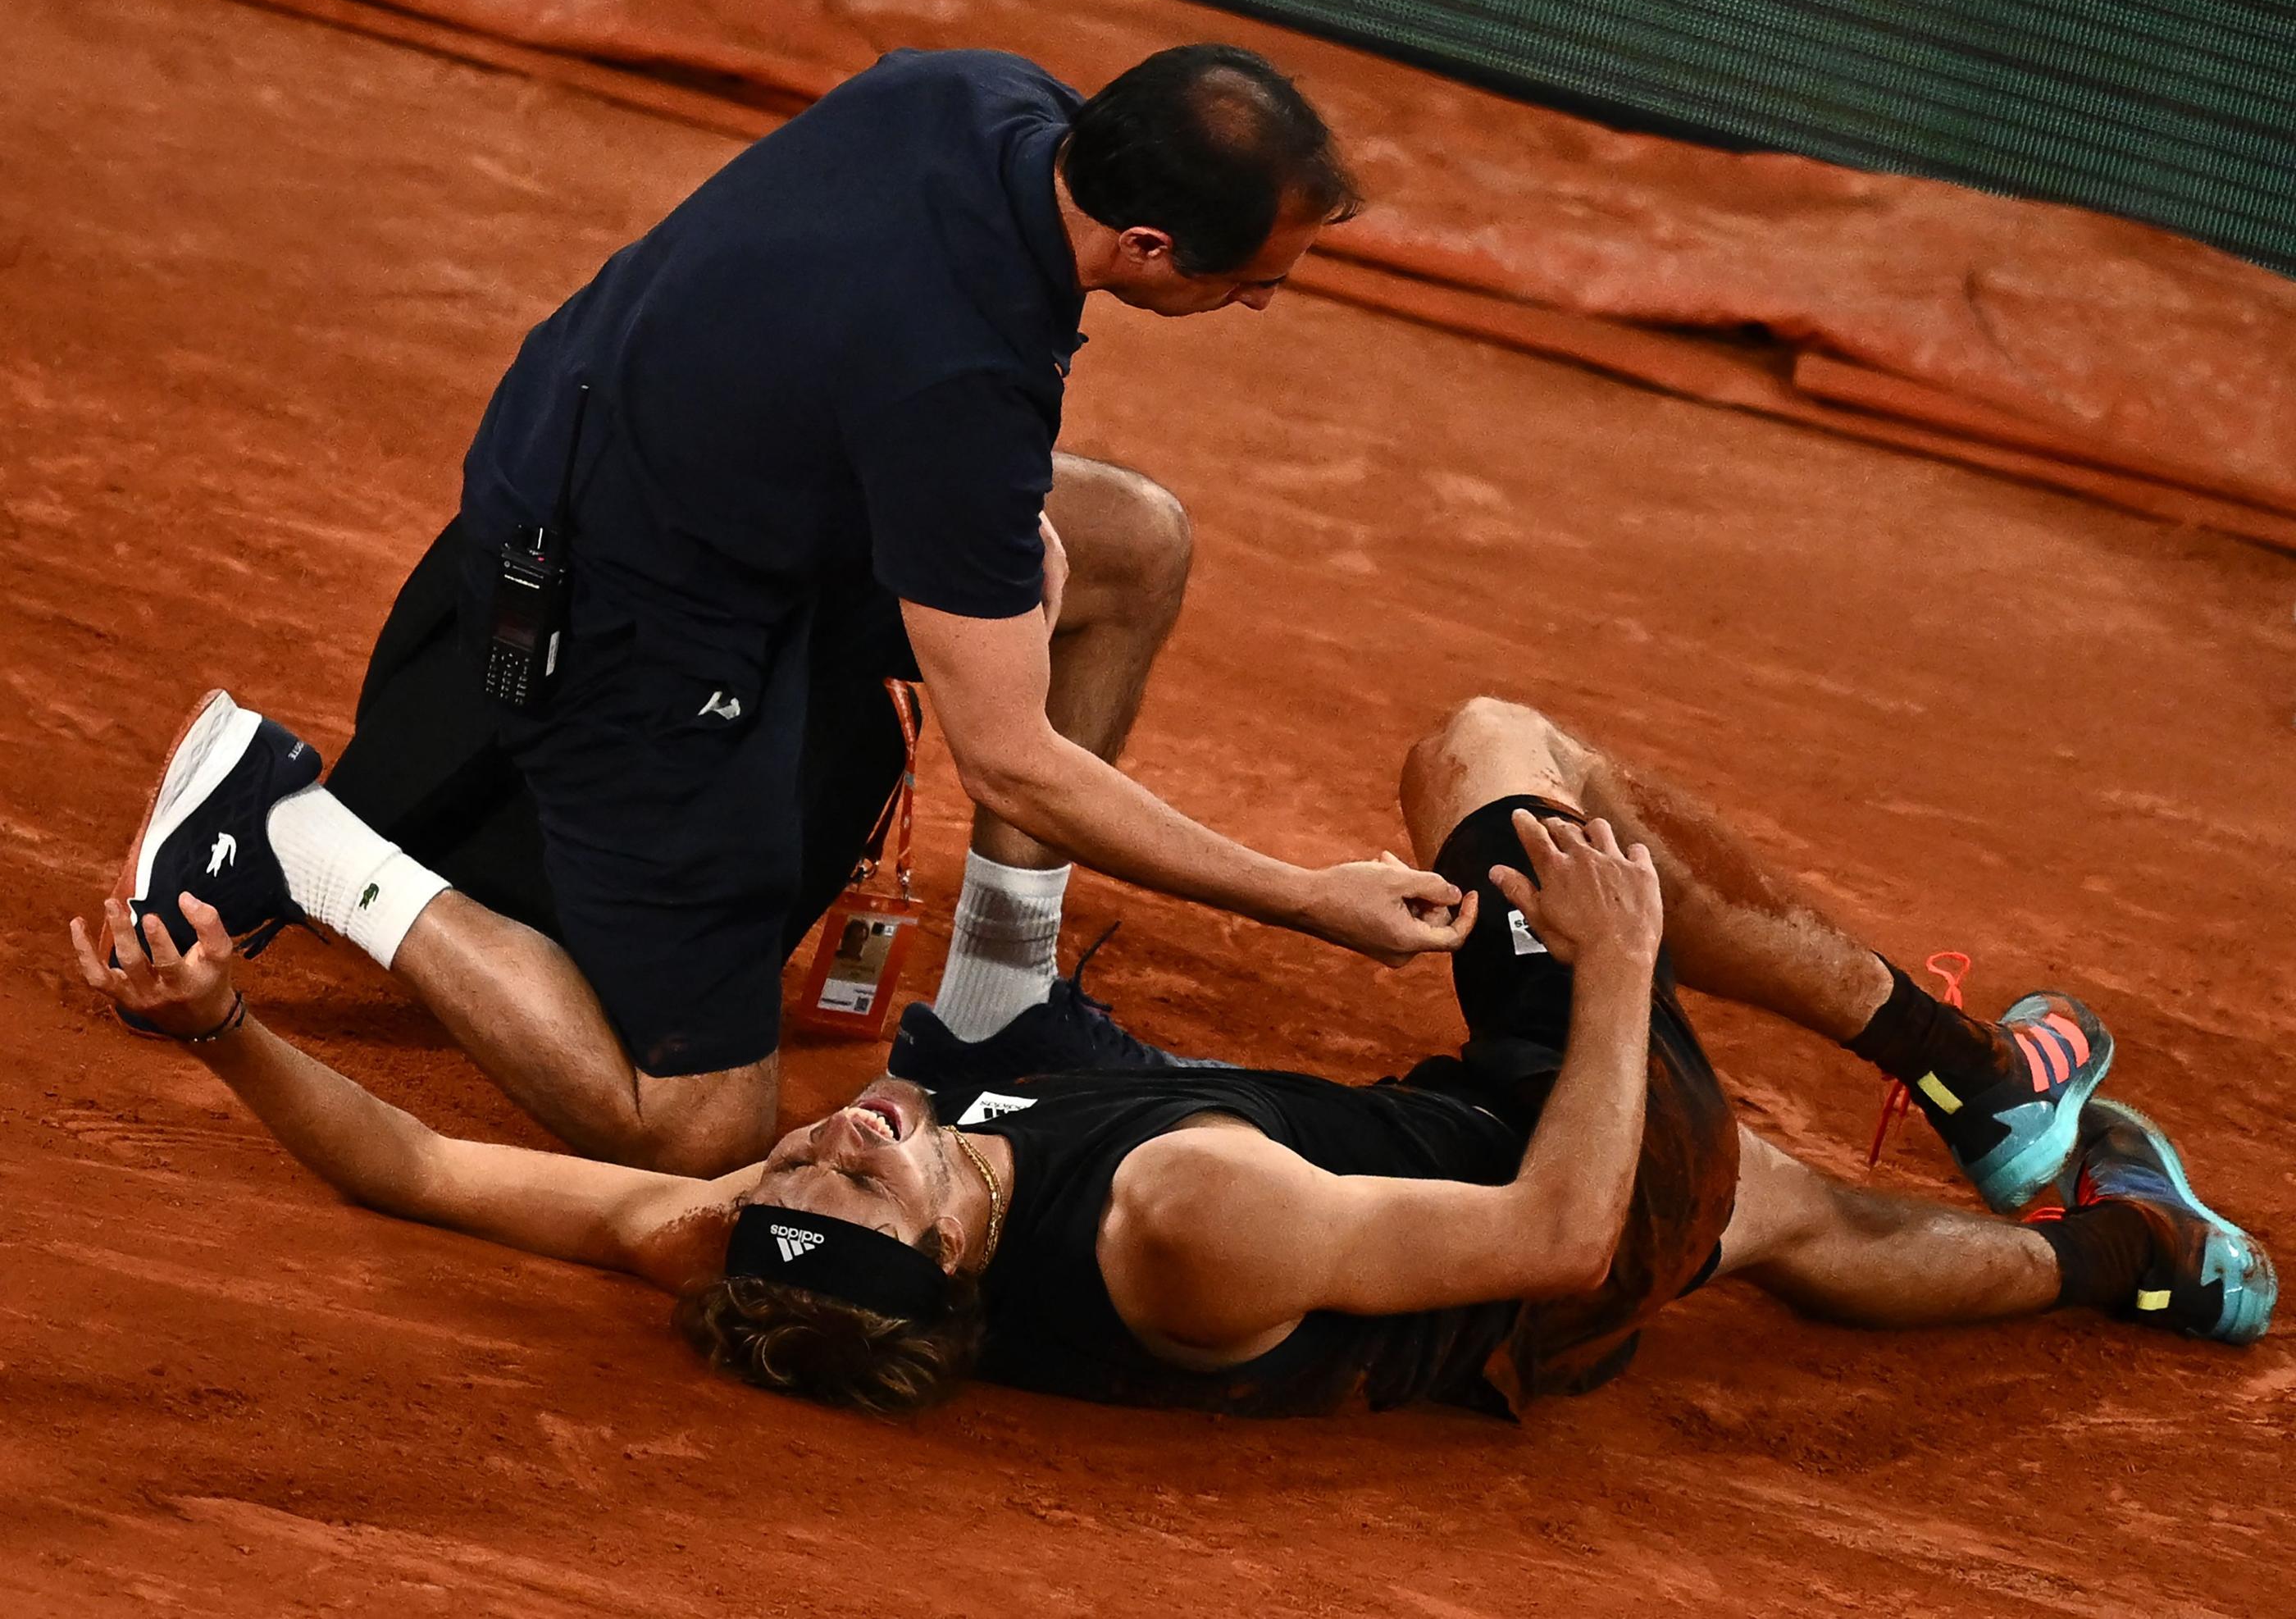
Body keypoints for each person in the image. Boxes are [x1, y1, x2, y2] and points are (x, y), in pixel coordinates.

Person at [75, 696, 2274, 1421]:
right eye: (868, 1171)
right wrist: (1607, 976)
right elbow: (1559, 1212)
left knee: (1790, 1222)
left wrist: (235, 1019)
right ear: (946, 1248)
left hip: (1526, 1247)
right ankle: (1960, 1057)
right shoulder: (1179, 1209)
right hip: (1543, 1193)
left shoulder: (783, 1236)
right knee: (1499, 762)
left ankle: (2130, 1261)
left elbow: (438, 1179)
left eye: (805, 1168)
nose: (833, 1132)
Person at [121, 44, 1472, 1177]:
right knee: (703, 1128)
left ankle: (999, 1001)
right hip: (623, 610)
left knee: (1127, 545)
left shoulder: (975, 95)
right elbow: (1013, 760)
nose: (1259, 300)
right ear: (1144, 243)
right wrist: (1308, 896)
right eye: (1251, 283)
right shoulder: (960, 383)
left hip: (654, 451)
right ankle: (294, 830)